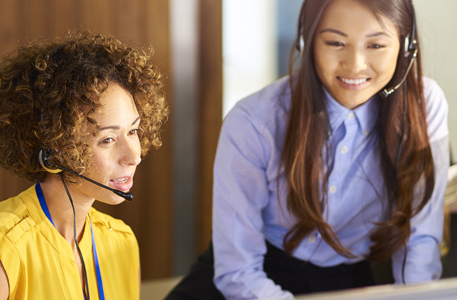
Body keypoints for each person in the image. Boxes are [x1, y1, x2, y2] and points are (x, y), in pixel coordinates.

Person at [166, 0, 449, 299]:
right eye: (335, 42)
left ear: (407, 46)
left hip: (347, 278)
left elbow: (419, 245)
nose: (355, 64)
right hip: (250, 278)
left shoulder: (423, 106)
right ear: (307, 42)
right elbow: (238, 271)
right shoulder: (254, 121)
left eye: (376, 45)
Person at [0, 31, 167, 299]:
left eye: (133, 131)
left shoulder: (121, 241)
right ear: (54, 149)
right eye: (108, 139)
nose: (133, 156)